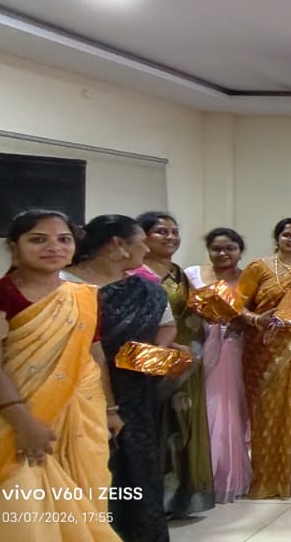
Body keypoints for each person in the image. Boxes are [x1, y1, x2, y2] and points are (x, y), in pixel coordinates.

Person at [0, 211, 123, 541]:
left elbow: (94, 356)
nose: (53, 247)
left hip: (81, 420)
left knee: (85, 505)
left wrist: (110, 410)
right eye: (38, 239)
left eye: (64, 239)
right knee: (24, 511)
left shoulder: (85, 296)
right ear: (14, 247)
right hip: (14, 419)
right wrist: (23, 423)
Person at [65, 214, 177, 540]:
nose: (147, 248)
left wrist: (152, 353)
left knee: (137, 469)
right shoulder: (64, 285)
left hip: (136, 392)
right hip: (77, 394)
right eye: (141, 242)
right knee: (90, 472)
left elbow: (167, 325)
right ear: (118, 245)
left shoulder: (146, 288)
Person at [237, 218, 291, 499]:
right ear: (277, 238)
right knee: (268, 413)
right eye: (287, 235)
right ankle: (269, 480)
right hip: (265, 352)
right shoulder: (258, 268)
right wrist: (256, 320)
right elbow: (237, 305)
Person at [138, 211, 215, 517]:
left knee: (185, 425)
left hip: (187, 360)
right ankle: (155, 502)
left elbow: (195, 312)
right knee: (157, 427)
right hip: (153, 361)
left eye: (174, 231)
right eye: (161, 231)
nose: (170, 237)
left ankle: (183, 497)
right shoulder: (136, 273)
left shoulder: (178, 273)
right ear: (142, 237)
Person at [186, 227, 251, 502]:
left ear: (240, 251)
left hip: (234, 348)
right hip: (197, 348)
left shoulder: (248, 279)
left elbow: (254, 314)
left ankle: (227, 474)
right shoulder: (191, 275)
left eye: (230, 248)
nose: (223, 253)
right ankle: (199, 476)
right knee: (199, 410)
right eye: (217, 249)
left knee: (228, 410)